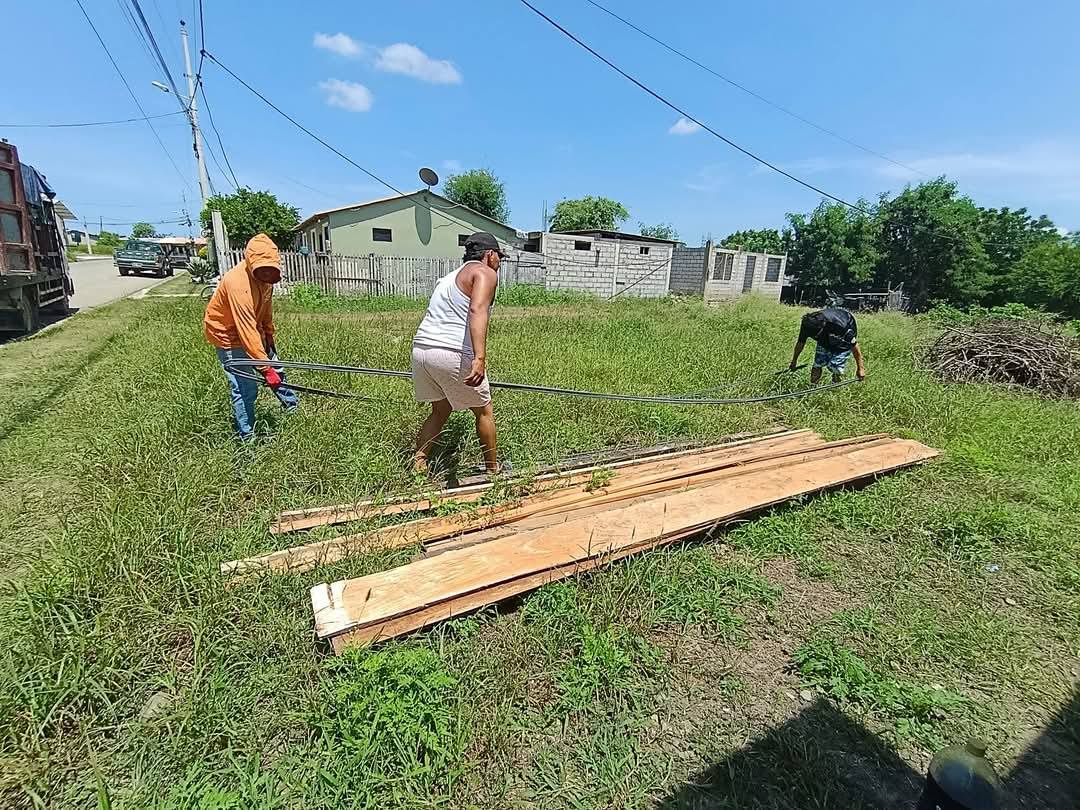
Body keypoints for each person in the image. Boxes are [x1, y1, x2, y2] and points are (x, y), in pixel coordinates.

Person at [411, 231, 506, 474]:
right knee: (484, 410)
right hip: (451, 351)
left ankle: (418, 466)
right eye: (499, 257)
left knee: (440, 410)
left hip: (422, 350)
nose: (499, 262)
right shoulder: (485, 272)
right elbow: (477, 310)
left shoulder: (447, 278)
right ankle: (493, 470)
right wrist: (479, 358)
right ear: (490, 254)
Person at [204, 233, 298, 442]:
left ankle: (293, 410)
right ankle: (247, 437)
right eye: (263, 269)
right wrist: (265, 368)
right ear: (251, 262)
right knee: (246, 388)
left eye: (271, 269)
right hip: (228, 336)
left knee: (278, 372)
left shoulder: (266, 278)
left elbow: (265, 309)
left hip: (253, 330)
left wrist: (269, 335)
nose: (267, 273)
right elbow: (245, 329)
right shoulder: (238, 283)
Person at [789, 305, 867, 383]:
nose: (815, 338)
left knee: (835, 367)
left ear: (821, 328)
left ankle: (835, 385)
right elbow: (800, 343)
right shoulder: (808, 323)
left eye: (816, 336)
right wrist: (794, 361)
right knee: (818, 364)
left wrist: (860, 368)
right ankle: (813, 385)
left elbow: (855, 346)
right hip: (826, 333)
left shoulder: (841, 327)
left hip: (843, 338)